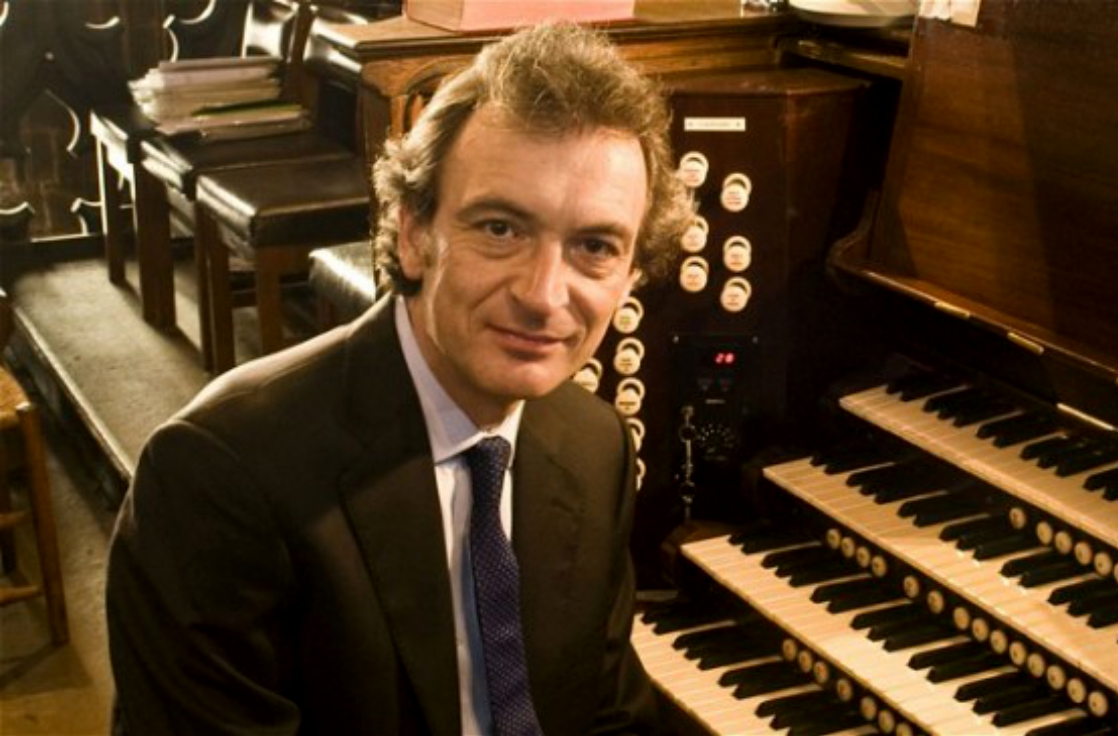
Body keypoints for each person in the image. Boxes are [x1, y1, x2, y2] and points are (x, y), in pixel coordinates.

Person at [106, 21, 693, 736]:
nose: (544, 294)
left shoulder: (593, 444)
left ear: (630, 272)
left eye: (594, 246)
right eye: (501, 229)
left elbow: (609, 719)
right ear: (413, 232)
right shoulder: (218, 474)